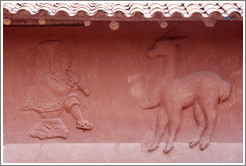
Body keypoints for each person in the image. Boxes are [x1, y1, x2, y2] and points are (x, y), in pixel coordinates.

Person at [24, 40, 94, 139]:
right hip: (48, 104)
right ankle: (80, 121)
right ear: (57, 63)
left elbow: (67, 92)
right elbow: (60, 91)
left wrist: (78, 86)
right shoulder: (47, 77)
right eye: (66, 62)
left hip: (59, 102)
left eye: (69, 63)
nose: (68, 65)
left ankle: (80, 121)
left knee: (72, 97)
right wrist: (72, 83)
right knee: (70, 97)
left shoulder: (65, 76)